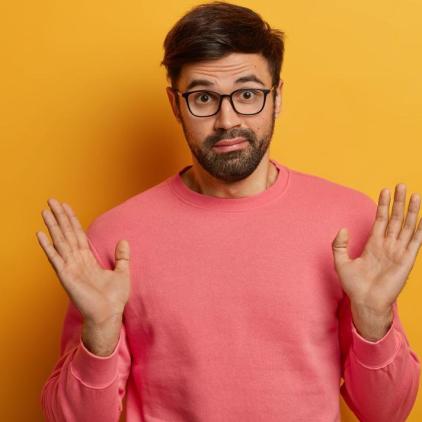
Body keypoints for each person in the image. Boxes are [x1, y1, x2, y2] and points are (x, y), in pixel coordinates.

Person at [37, 2, 421, 421]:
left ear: (277, 98)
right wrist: (99, 335)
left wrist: (374, 319)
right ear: (175, 104)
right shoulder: (115, 238)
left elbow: (387, 413)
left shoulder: (349, 221)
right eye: (203, 97)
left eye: (248, 94)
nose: (227, 120)